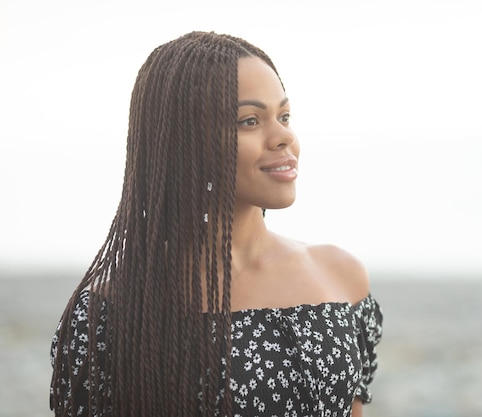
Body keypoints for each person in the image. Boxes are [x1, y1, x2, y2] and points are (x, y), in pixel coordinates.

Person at [49, 31, 383, 417]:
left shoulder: (341, 275)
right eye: (250, 120)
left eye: (285, 116)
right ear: (184, 139)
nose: (284, 137)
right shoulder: (110, 313)